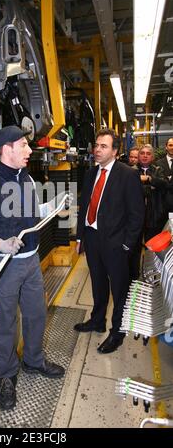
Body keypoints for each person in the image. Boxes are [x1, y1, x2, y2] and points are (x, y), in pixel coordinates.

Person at [0, 125, 66, 411]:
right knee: (7, 322)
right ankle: (6, 376)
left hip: (31, 260)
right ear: (6, 149)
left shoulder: (27, 179)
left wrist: (53, 206)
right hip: (5, 265)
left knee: (35, 314)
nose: (30, 151)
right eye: (24, 146)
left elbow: (32, 212)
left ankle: (33, 361)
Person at [74, 128, 145, 354]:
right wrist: (80, 236)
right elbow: (85, 206)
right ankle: (97, 320)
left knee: (119, 289)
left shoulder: (127, 174)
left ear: (115, 151)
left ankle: (117, 333)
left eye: (103, 146)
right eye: (96, 145)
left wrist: (127, 245)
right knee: (97, 282)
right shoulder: (90, 173)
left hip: (116, 243)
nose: (97, 149)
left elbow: (137, 214)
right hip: (93, 238)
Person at [136, 144, 167, 242]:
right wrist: (151, 187)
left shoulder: (158, 170)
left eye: (148, 154)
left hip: (154, 216)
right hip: (135, 216)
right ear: (138, 156)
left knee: (152, 246)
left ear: (152, 157)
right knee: (134, 249)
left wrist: (149, 179)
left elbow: (164, 184)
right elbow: (133, 190)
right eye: (142, 153)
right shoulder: (131, 171)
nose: (145, 156)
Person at [156, 137, 173, 214]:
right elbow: (158, 182)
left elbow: (164, 182)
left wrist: (167, 180)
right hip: (162, 205)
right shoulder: (158, 163)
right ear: (166, 147)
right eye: (170, 145)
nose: (172, 147)